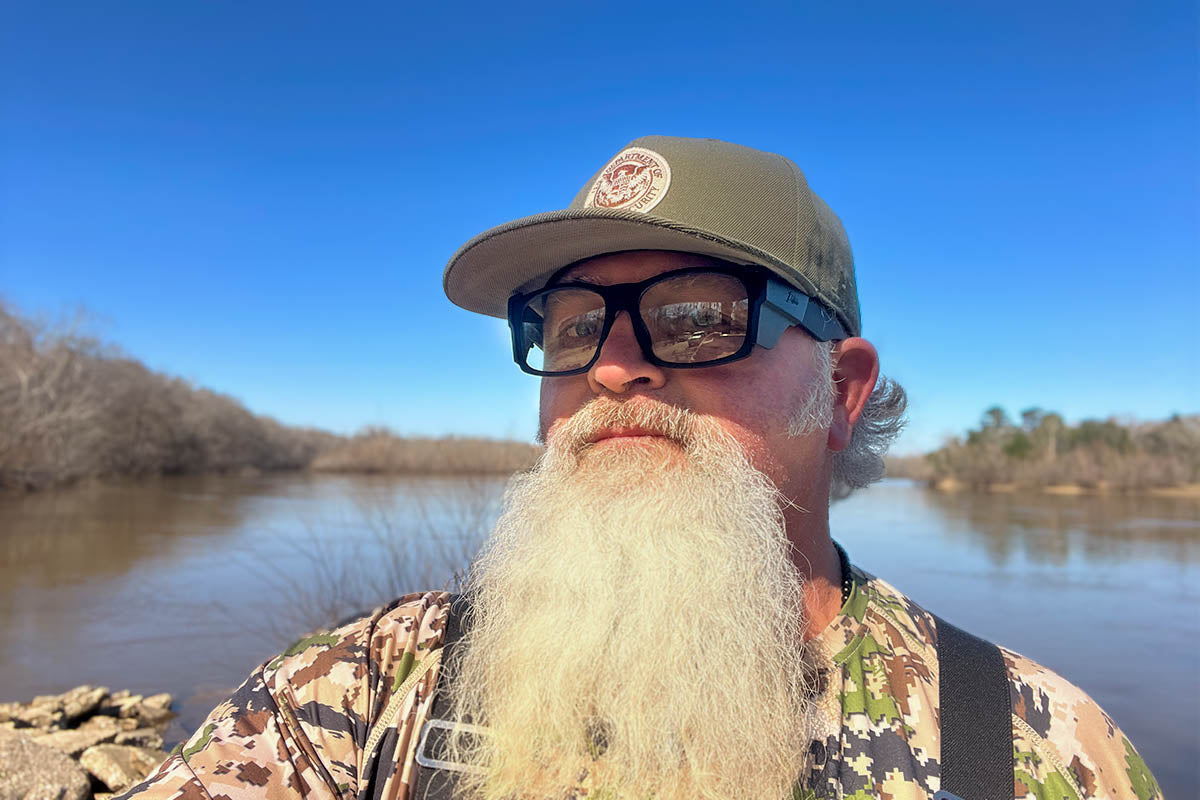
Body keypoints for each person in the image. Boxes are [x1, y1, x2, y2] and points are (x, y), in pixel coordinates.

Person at [118, 136, 1160, 800]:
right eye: (571, 325)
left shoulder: (1029, 745)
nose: (611, 366)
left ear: (840, 393)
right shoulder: (358, 689)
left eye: (698, 317)